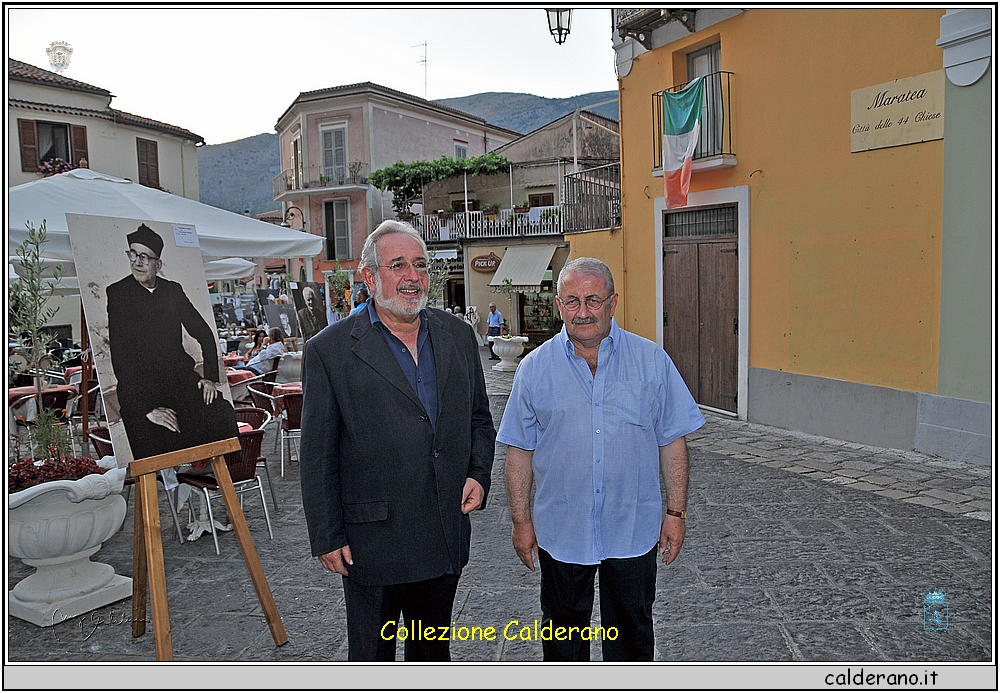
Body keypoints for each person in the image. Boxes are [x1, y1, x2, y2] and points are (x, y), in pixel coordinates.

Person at [300, 219, 495, 662]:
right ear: (370, 277)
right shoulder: (330, 350)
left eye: (421, 265)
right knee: (373, 661)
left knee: (432, 655)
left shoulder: (458, 336)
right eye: (399, 265)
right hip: (373, 547)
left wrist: (478, 475)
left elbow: (480, 420)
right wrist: (327, 535)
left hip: (442, 534)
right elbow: (317, 455)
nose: (413, 276)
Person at [496, 257, 705, 662]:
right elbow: (518, 452)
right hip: (562, 531)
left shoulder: (652, 361)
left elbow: (672, 441)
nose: (583, 312)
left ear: (613, 303)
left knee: (631, 640)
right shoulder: (533, 370)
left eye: (594, 300)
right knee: (562, 645)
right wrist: (521, 523)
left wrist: (676, 513)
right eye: (572, 301)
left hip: (632, 529)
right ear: (559, 305)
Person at [106, 224, 238, 461]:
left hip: (179, 380)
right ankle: (172, 479)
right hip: (141, 386)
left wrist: (209, 378)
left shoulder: (172, 291)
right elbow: (120, 356)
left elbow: (205, 334)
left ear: (158, 264)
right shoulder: (118, 293)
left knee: (222, 412)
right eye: (133, 254)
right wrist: (146, 409)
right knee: (152, 432)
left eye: (144, 257)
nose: (137, 262)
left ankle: (213, 471)